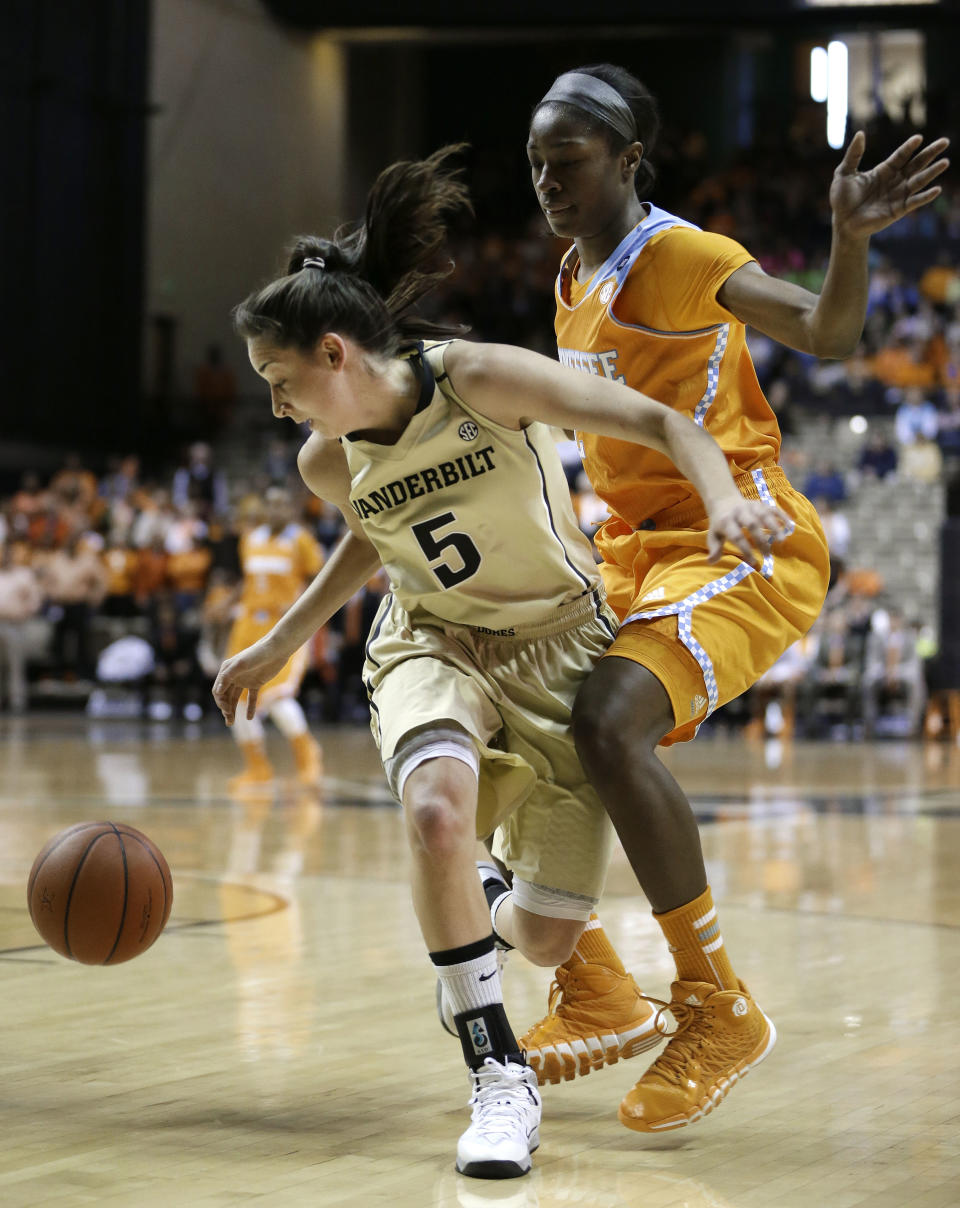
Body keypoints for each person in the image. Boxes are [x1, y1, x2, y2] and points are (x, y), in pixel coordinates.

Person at [212, 146, 788, 1179]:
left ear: (335, 352)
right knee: (433, 805)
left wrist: (724, 497)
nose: (276, 405)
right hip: (433, 639)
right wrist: (280, 639)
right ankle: (496, 1074)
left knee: (548, 935)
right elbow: (375, 533)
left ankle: (484, 907)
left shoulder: (477, 376)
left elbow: (658, 419)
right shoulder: (322, 458)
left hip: (559, 644)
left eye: (280, 379)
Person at [520, 63, 948, 1134]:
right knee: (504, 720)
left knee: (606, 719)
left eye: (564, 162)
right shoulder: (569, 279)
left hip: (739, 531)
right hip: (632, 550)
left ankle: (715, 1003)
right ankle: (597, 984)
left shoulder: (686, 255)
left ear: (626, 159)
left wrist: (848, 240)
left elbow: (830, 335)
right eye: (534, 164)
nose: (545, 182)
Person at [223, 485, 325, 790]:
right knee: (236, 697)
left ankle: (308, 755)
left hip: (284, 628)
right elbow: (249, 582)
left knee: (277, 697)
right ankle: (257, 768)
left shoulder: (301, 541)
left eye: (282, 504)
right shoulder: (250, 539)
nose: (276, 510)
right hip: (247, 625)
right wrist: (226, 604)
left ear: (292, 508)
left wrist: (302, 607)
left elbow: (320, 582)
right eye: (271, 504)